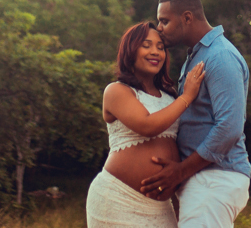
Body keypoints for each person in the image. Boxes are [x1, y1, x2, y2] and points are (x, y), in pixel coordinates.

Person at [142, 0, 251, 228]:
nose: (159, 28)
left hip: (215, 179)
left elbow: (230, 128)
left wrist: (180, 171)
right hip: (204, 180)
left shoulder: (220, 56)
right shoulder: (197, 56)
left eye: (165, 21)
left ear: (187, 18)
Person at [85, 21, 207, 228]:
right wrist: (187, 97)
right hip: (118, 199)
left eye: (160, 47)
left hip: (161, 208)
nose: (155, 52)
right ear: (130, 50)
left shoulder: (170, 96)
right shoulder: (116, 91)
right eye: (146, 45)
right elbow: (147, 125)